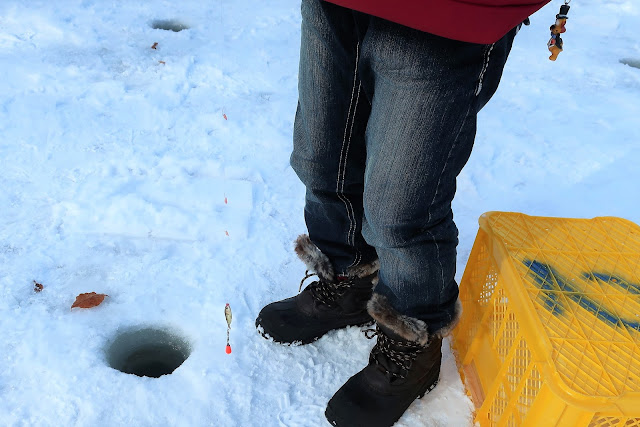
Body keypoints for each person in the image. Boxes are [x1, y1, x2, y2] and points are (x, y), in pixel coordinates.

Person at [256, 0, 550, 425]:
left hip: (446, 11)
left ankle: (412, 340)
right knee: (322, 159)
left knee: (402, 206)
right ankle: (347, 279)